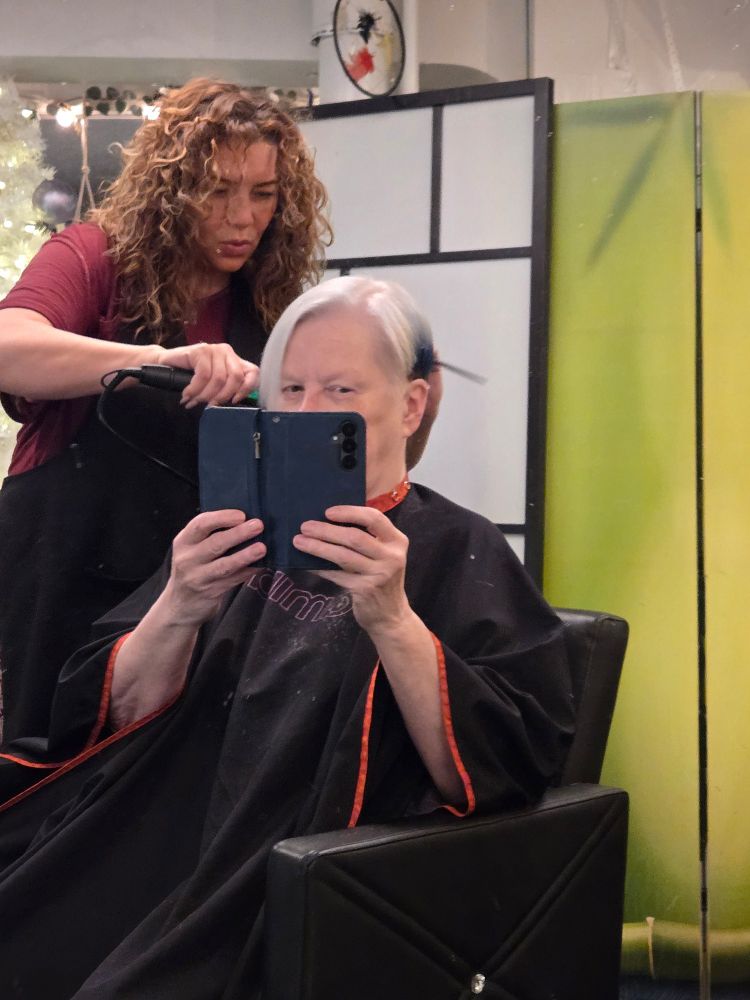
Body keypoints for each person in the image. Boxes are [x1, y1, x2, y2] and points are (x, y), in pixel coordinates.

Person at [0, 277, 573, 1000]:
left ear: (410, 405)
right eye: (291, 390)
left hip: (293, 867)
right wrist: (179, 604)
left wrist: (392, 619)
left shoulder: (458, 547)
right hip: (149, 830)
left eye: (340, 391)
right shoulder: (233, 533)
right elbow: (111, 714)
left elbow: (495, 768)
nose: (305, 415)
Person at [0, 77, 331, 743]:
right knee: (54, 765)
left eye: (263, 194)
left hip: (191, 582)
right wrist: (154, 360)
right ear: (172, 190)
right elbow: (8, 350)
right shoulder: (93, 257)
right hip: (61, 568)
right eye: (217, 191)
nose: (242, 218)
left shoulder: (268, 301)